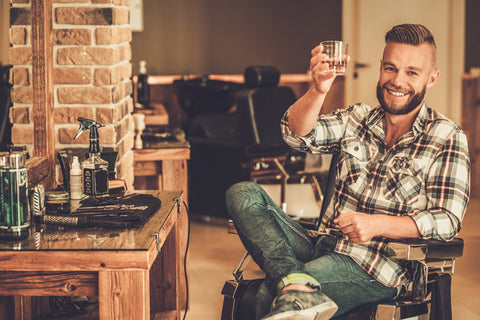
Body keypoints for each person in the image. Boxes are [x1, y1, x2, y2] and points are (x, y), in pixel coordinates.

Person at [225, 23, 470, 320]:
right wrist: (318, 88)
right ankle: (296, 281)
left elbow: (448, 220)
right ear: (380, 67)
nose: (397, 80)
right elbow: (298, 136)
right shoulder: (357, 118)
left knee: (272, 293)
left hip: (378, 264)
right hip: (321, 244)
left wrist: (377, 224)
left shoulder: (447, 137)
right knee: (242, 193)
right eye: (390, 68)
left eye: (412, 72)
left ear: (432, 79)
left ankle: (293, 285)